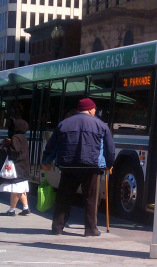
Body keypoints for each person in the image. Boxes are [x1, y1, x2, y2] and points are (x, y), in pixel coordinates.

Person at [41, 98, 115, 237]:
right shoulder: (101, 125)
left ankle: (57, 227)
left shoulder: (64, 124)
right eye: (94, 109)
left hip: (68, 166)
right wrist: (109, 164)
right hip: (91, 167)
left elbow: (53, 145)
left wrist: (47, 161)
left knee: (64, 197)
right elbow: (109, 148)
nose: (95, 111)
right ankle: (90, 230)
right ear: (89, 109)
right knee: (91, 198)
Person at [0, 118, 31, 216]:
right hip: (23, 166)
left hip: (17, 167)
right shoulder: (23, 136)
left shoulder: (15, 137)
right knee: (22, 188)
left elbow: (14, 152)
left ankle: (11, 210)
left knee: (15, 189)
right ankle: (25, 208)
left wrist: (6, 146)